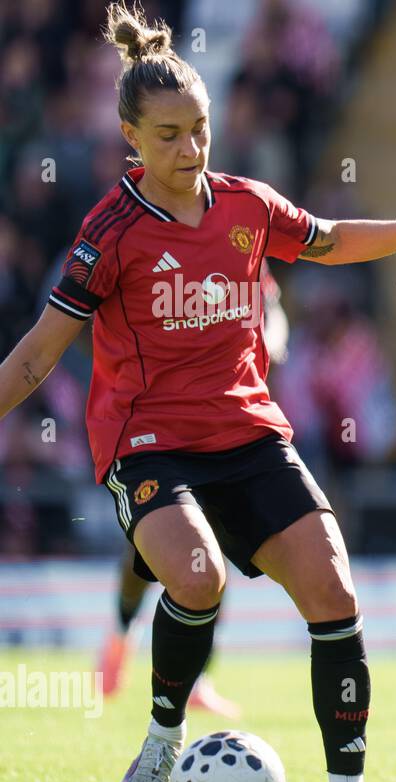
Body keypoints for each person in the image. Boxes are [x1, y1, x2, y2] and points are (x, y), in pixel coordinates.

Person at [0, 3, 396, 782]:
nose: (189, 150)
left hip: (251, 435)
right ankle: (162, 740)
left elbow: (330, 238)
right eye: (167, 136)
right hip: (148, 442)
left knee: (335, 590)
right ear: (128, 133)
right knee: (197, 577)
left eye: (199, 130)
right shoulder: (109, 232)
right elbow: (37, 356)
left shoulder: (246, 206)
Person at [96, 260, 288, 718]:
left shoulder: (236, 243)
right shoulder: (141, 242)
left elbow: (272, 306)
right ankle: (121, 637)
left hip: (223, 423)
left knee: (212, 554)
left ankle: (199, 676)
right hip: (154, 425)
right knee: (146, 552)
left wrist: (272, 342)